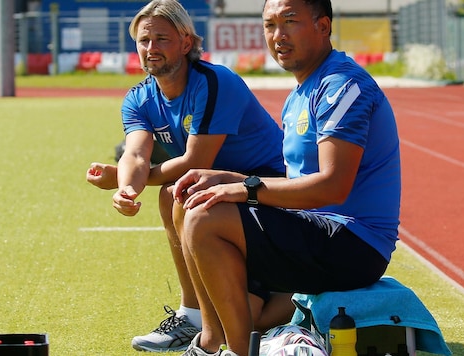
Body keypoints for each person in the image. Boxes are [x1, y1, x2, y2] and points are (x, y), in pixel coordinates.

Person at [172, 0, 402, 355]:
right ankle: (214, 337)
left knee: (205, 218)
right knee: (190, 197)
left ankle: (233, 350)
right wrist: (225, 177)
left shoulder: (342, 85)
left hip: (353, 242)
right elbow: (294, 179)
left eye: (290, 22)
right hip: (311, 230)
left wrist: (245, 188)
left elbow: (332, 186)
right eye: (269, 25)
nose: (278, 35)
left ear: (323, 26)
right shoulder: (300, 92)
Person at [85, 0, 295, 352]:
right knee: (174, 192)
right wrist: (125, 187)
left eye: (162, 39)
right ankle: (193, 315)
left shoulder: (214, 82)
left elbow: (195, 160)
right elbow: (136, 152)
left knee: (176, 192)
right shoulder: (138, 98)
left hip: (269, 190)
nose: (151, 49)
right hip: (216, 188)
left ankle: (304, 296)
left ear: (186, 43)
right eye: (144, 40)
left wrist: (133, 178)